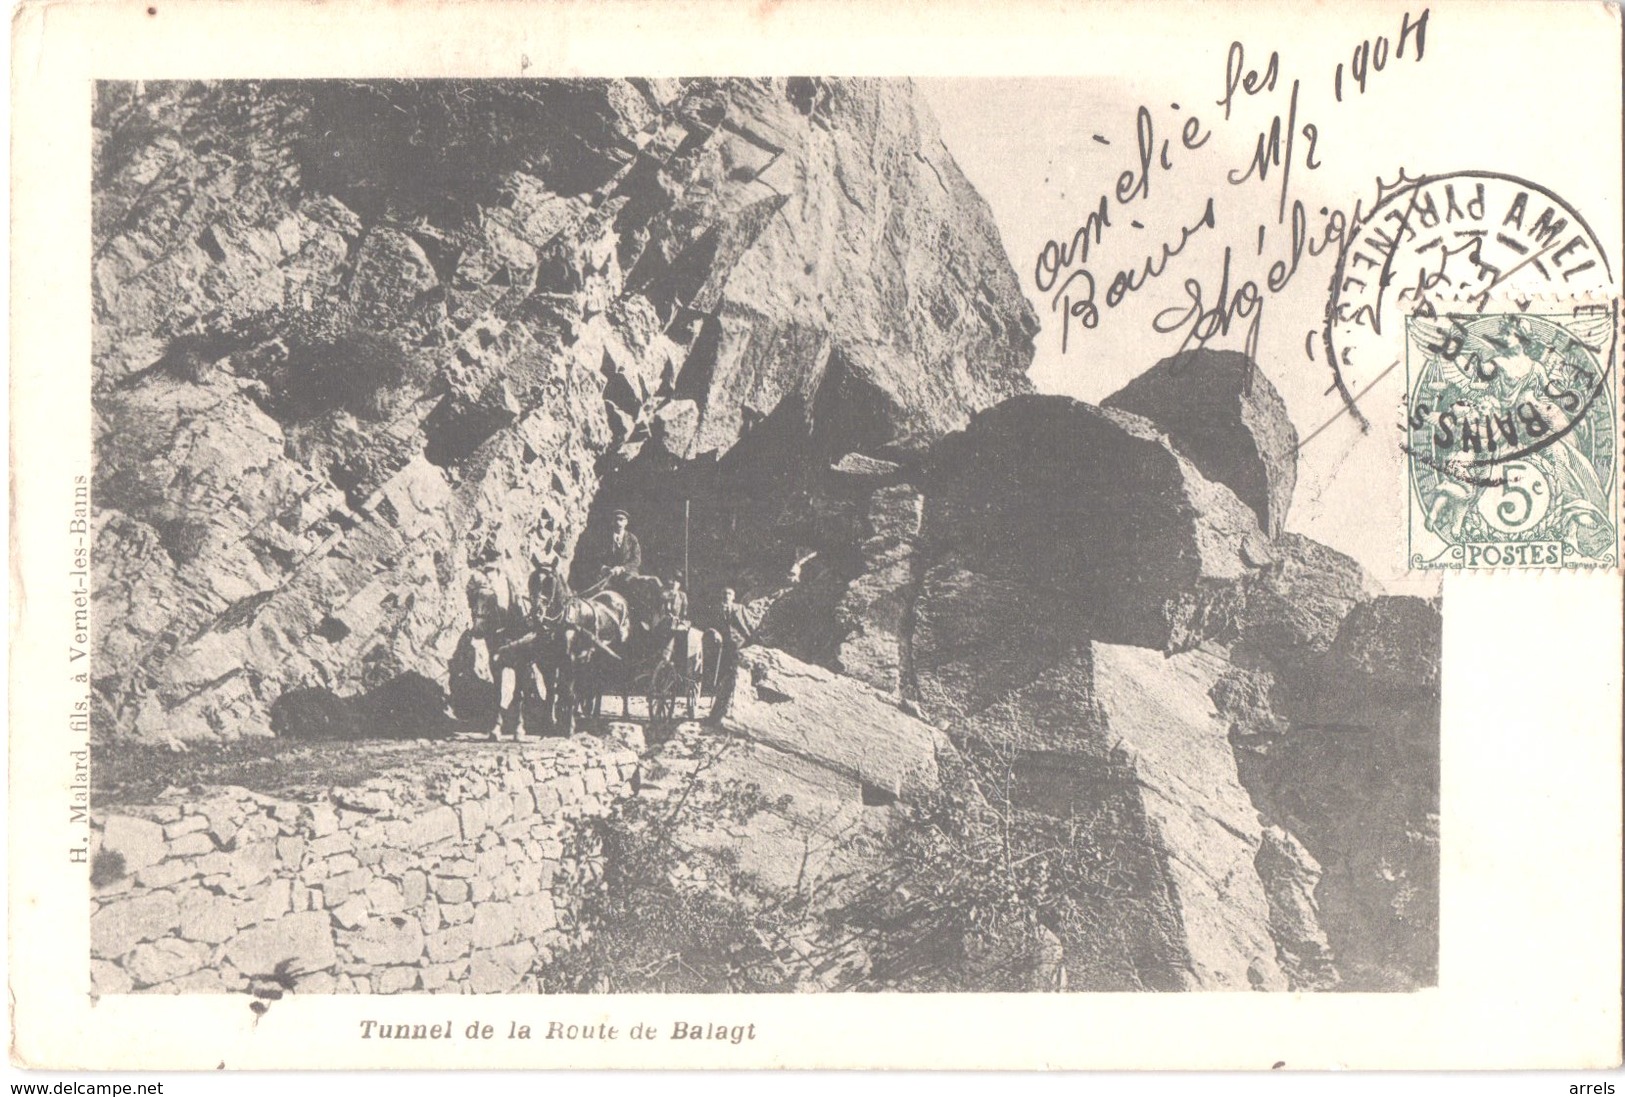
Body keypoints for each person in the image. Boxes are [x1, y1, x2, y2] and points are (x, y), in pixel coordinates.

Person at [597, 509, 642, 580]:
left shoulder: (632, 538)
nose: (618, 523)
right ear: (612, 522)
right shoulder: (605, 538)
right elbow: (597, 558)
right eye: (616, 520)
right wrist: (605, 568)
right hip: (610, 573)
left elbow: (637, 560)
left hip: (628, 573)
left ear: (626, 522)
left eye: (621, 520)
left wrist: (622, 568)